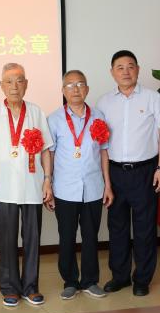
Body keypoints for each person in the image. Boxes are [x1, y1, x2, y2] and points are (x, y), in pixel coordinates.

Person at [95, 51, 160, 297]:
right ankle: (120, 277)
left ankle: (142, 279)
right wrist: (105, 179)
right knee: (116, 227)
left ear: (138, 70)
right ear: (112, 72)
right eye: (120, 67)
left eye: (130, 66)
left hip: (145, 172)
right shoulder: (103, 103)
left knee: (144, 228)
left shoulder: (153, 98)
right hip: (115, 172)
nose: (126, 71)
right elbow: (100, 143)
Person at [0, 63, 53, 308]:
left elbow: (46, 150)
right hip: (3, 188)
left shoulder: (36, 112)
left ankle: (31, 287)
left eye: (19, 80)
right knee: (7, 240)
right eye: (9, 81)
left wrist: (47, 180)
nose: (14, 86)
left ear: (26, 84)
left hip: (32, 186)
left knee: (32, 238)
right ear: (1, 85)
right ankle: (10, 288)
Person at [46, 70, 113, 300]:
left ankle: (90, 281)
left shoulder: (99, 117)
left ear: (87, 89)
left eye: (80, 84)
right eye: (70, 85)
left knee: (91, 236)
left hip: (93, 187)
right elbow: (50, 155)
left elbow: (104, 152)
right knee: (66, 237)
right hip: (65, 189)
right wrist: (48, 184)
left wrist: (108, 185)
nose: (75, 89)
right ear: (63, 91)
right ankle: (70, 281)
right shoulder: (54, 119)